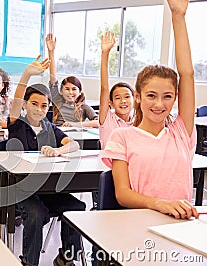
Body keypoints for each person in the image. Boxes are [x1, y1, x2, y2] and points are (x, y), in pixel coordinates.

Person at [101, 0, 199, 220]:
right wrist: (159, 204)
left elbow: (188, 74)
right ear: (138, 96)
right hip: (139, 222)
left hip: (180, 224)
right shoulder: (122, 136)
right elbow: (123, 194)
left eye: (167, 97)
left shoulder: (180, 133)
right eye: (151, 96)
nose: (159, 104)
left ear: (176, 98)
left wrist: (178, 16)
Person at [9, 56, 85, 266]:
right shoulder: (17, 124)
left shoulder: (50, 128)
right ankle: (29, 263)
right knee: (35, 213)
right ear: (25, 105)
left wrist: (59, 150)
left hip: (46, 189)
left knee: (76, 206)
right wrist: (26, 74)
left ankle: (65, 258)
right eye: (34, 104)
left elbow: (74, 145)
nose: (39, 109)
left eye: (44, 106)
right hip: (20, 190)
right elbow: (15, 103)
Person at [46, 33, 98, 128]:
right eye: (67, 89)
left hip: (75, 137)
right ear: (61, 91)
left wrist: (76, 125)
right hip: (57, 135)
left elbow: (98, 122)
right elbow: (53, 77)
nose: (70, 92)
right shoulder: (57, 100)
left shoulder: (84, 107)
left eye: (74, 89)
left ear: (80, 92)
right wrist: (51, 52)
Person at [98, 31, 135, 149]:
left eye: (127, 97)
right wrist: (105, 53)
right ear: (111, 103)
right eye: (118, 98)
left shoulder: (139, 122)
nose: (123, 101)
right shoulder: (107, 119)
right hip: (109, 166)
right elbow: (104, 89)